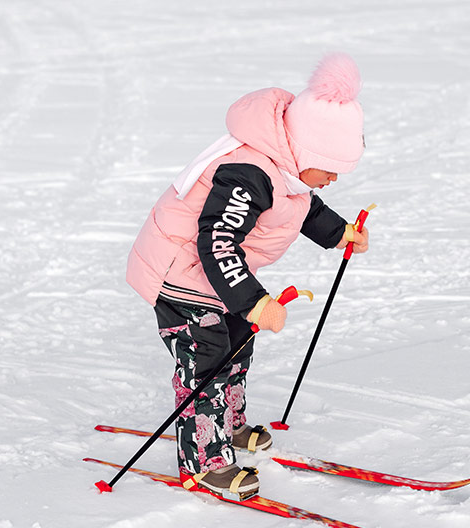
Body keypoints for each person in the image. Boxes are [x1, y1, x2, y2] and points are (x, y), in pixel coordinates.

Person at [125, 53, 369, 500]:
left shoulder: (286, 168)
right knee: (209, 357)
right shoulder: (249, 172)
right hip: (181, 272)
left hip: (214, 274)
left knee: (239, 339)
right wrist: (255, 300)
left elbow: (300, 206)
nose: (333, 178)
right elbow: (216, 242)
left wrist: (339, 233)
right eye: (331, 167)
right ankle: (204, 460)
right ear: (307, 149)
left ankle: (229, 425)